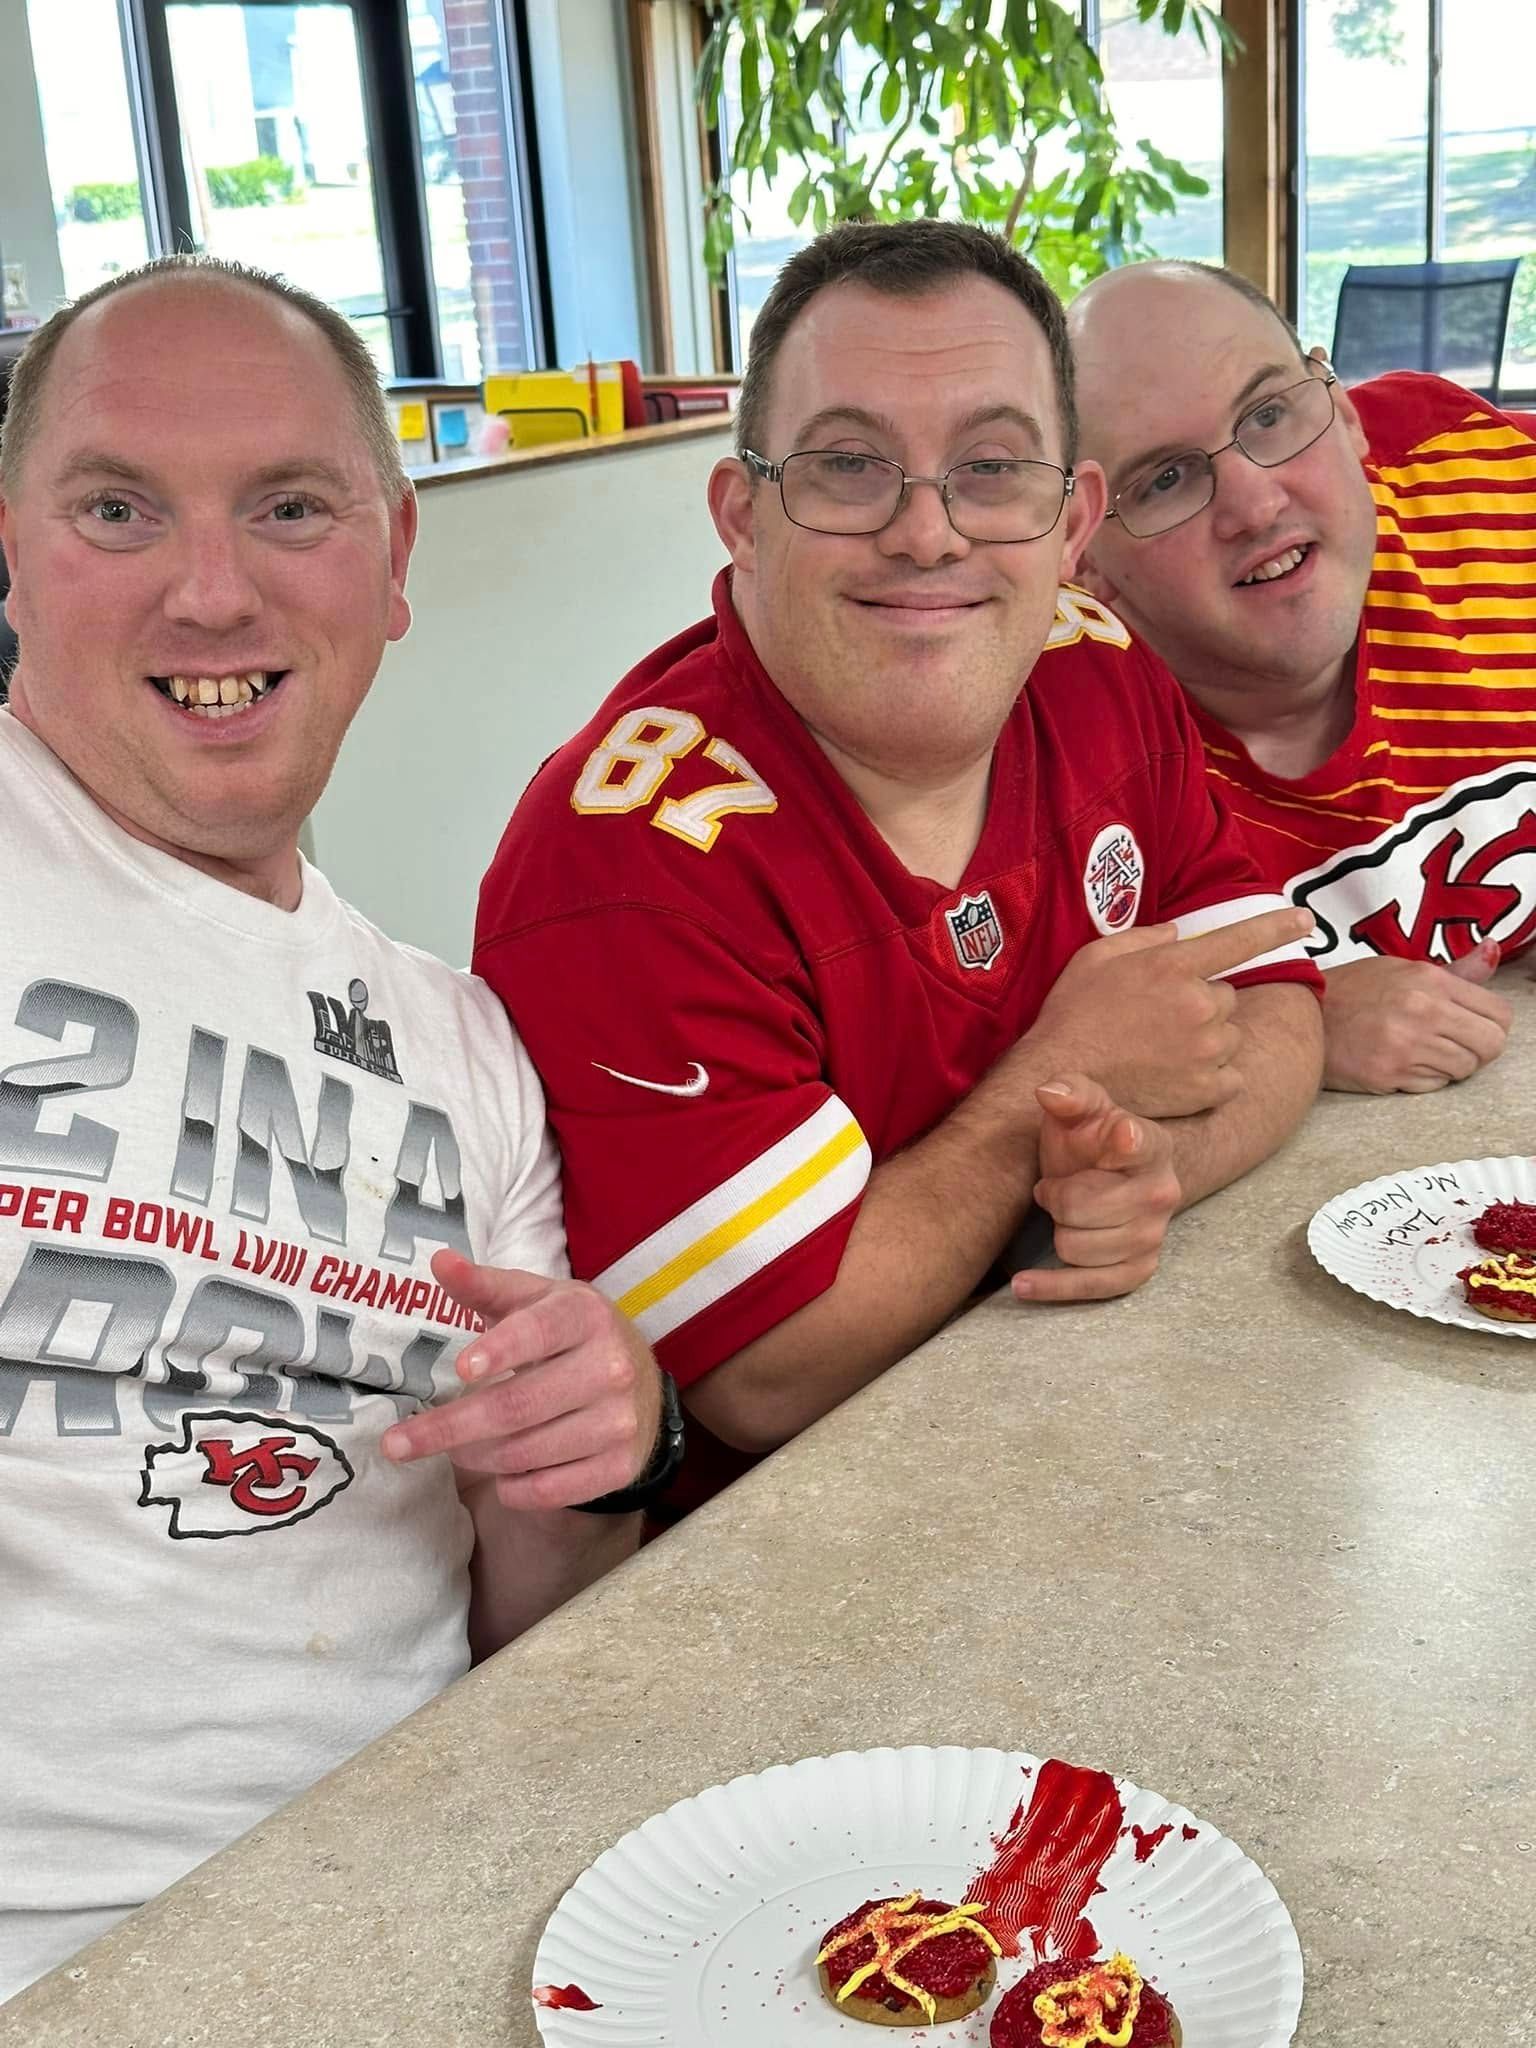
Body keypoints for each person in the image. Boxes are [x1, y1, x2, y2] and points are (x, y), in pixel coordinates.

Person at [0, 255, 670, 2004]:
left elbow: (539, 1621)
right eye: (119, 507)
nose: (209, 595)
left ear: (392, 562)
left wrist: (584, 1452)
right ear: (12, 543)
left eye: (289, 506)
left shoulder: (461, 1041)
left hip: (455, 1894)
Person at [474, 222, 1322, 1517]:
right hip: (796, 1561)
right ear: (743, 513)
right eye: (850, 467)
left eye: (990, 469)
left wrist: (1142, 1170)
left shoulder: (1097, 667)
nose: (926, 533)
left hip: (1081, 1432)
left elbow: (1277, 1002)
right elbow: (760, 1372)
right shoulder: (620, 860)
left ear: (1069, 520)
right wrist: (1051, 1090)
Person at [1067, 260, 1536, 1095]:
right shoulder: (1059, 732)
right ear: (1083, 560)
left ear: (1345, 410)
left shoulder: (1484, 480)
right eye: (1165, 478)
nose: (1253, 504)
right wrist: (1288, 1021)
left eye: (1271, 414)